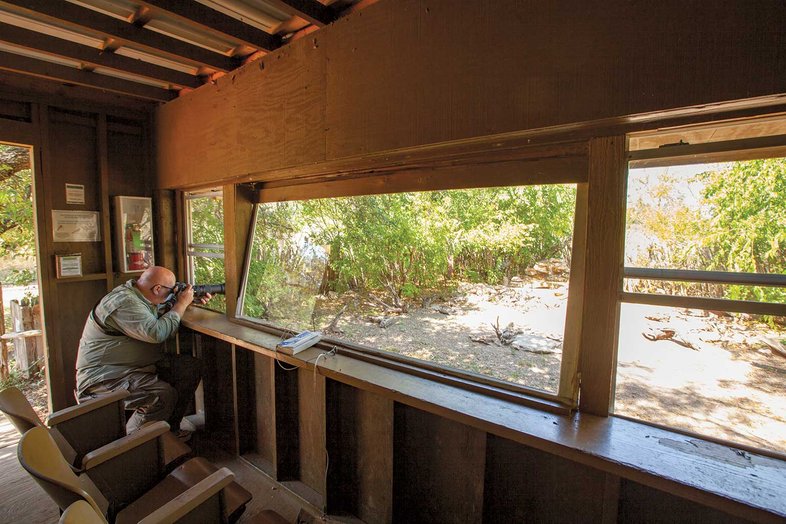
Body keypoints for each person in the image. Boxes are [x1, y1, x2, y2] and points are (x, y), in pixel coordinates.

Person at [75, 266, 210, 438]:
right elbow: (157, 333)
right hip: (104, 379)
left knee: (189, 367)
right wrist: (181, 304)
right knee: (160, 395)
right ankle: (136, 445)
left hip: (133, 367)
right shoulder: (125, 302)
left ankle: (169, 433)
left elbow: (153, 313)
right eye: (172, 289)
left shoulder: (140, 296)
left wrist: (185, 302)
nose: (174, 292)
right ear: (158, 289)